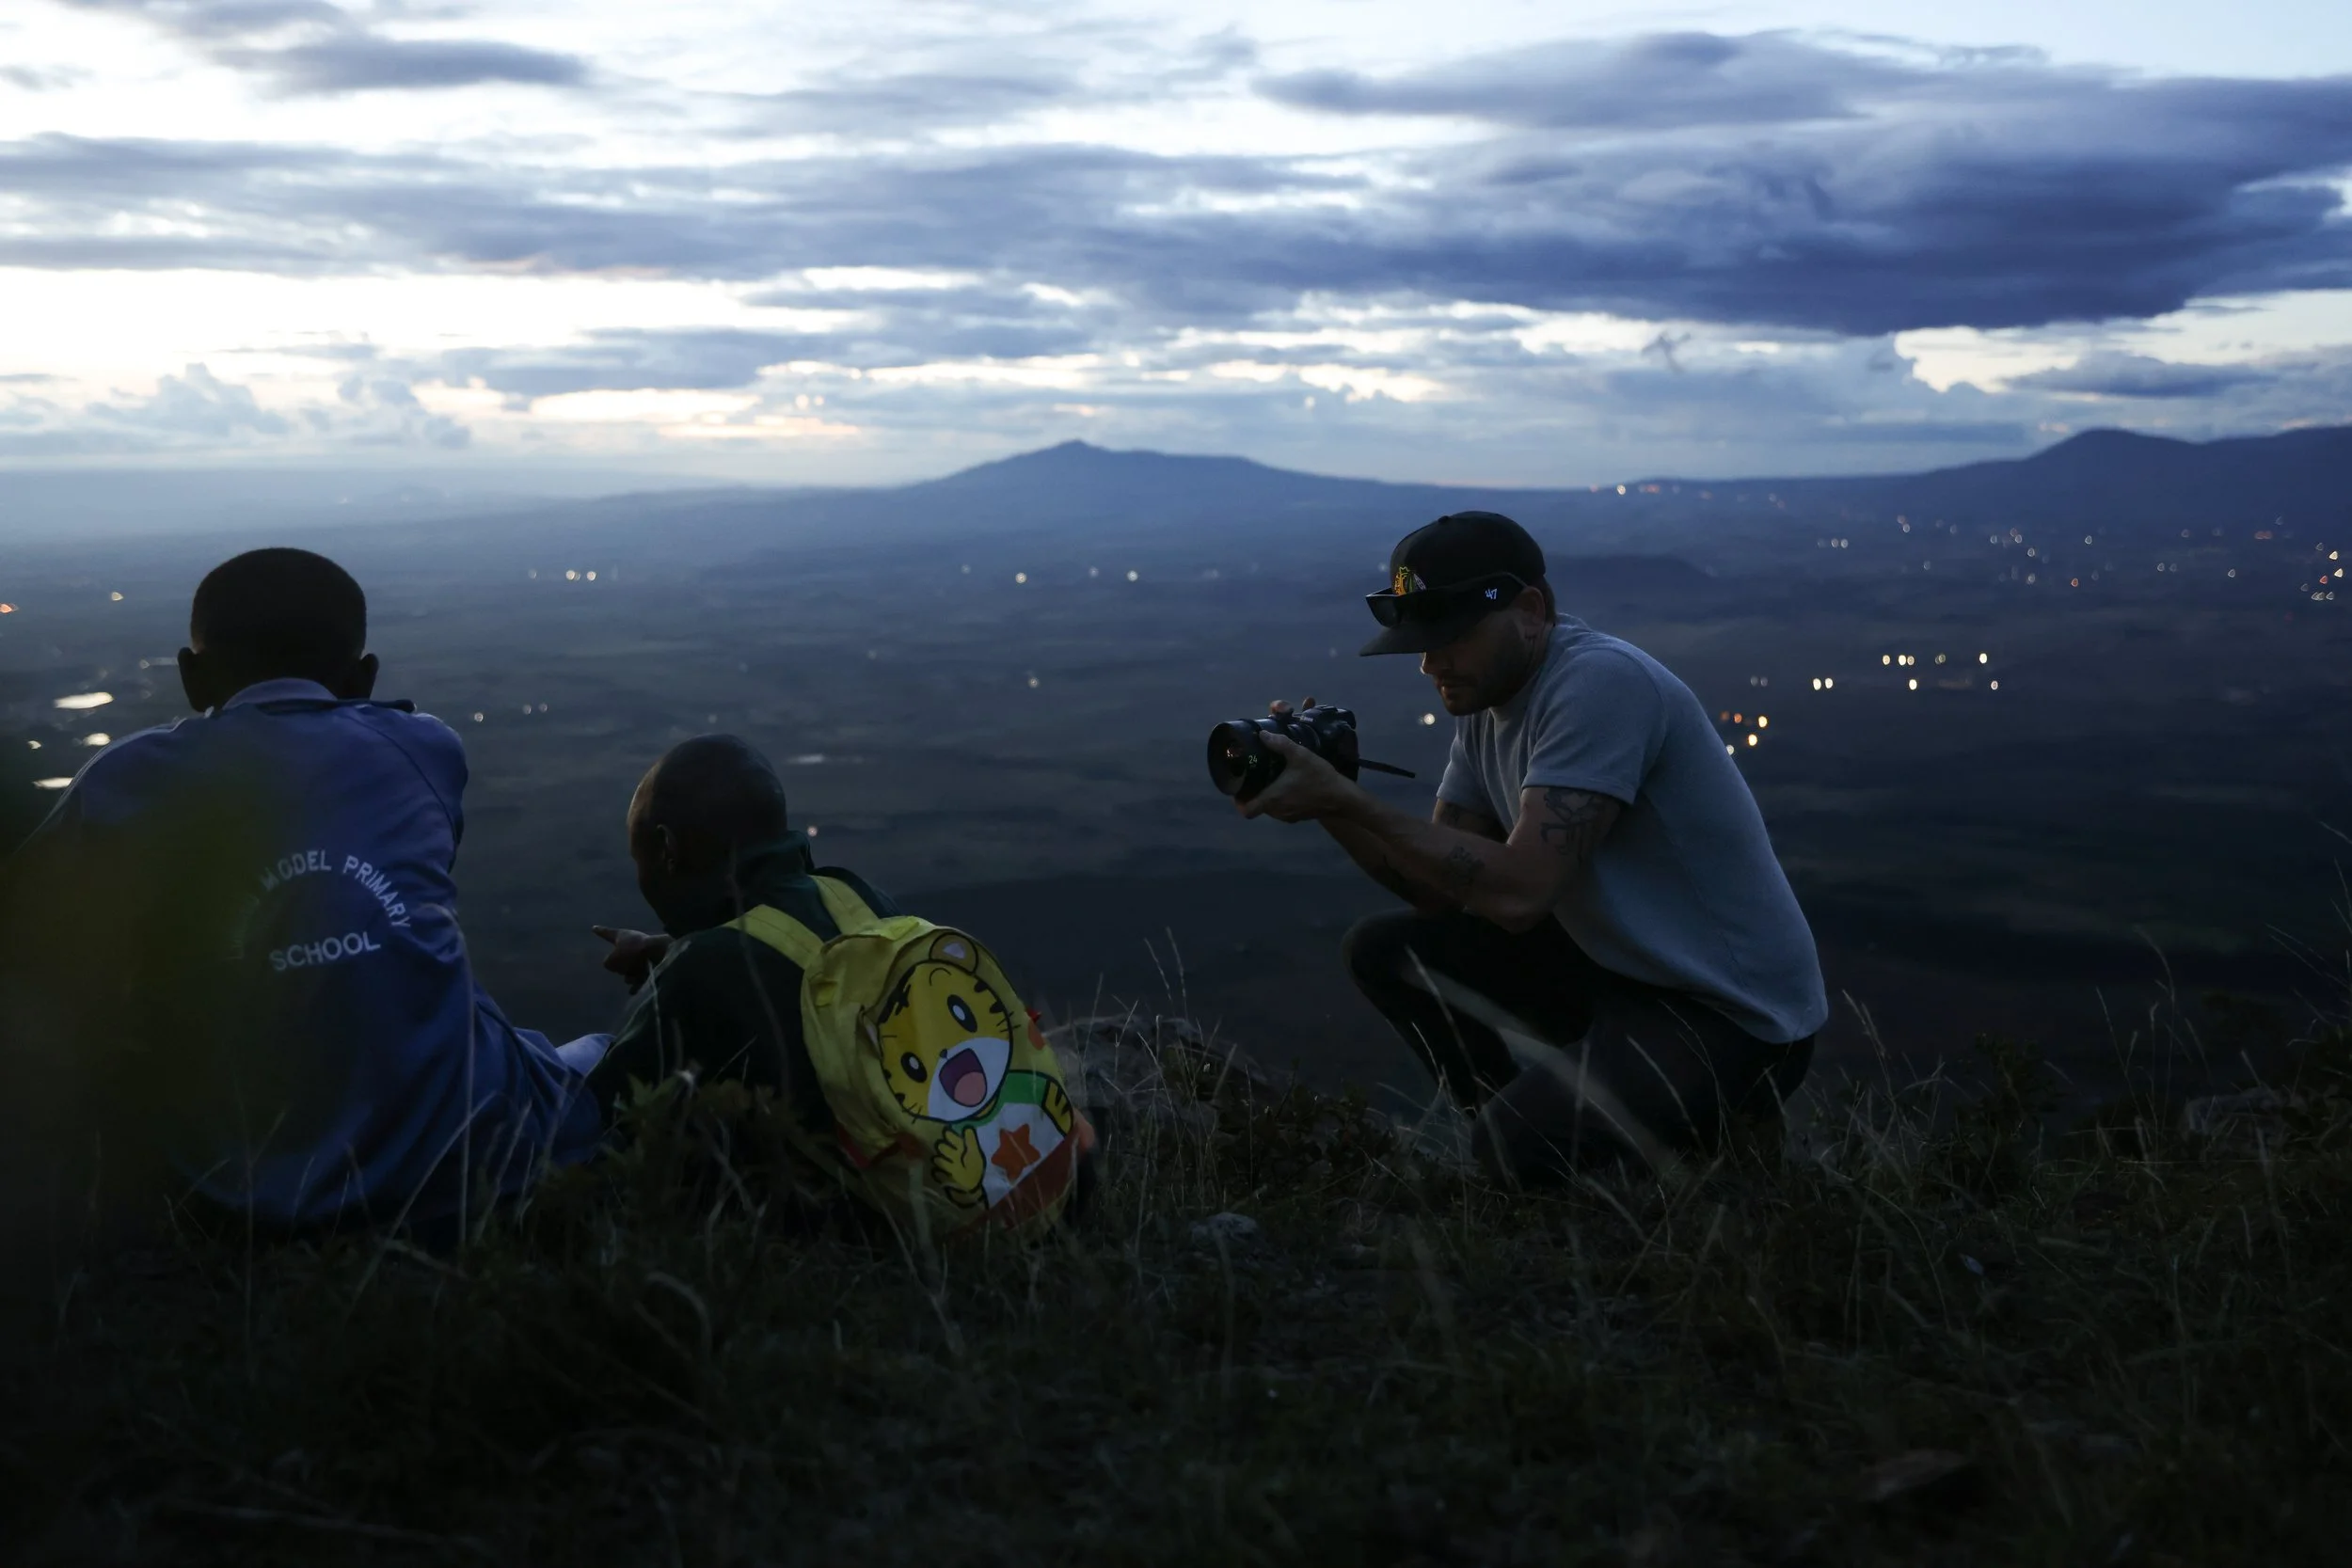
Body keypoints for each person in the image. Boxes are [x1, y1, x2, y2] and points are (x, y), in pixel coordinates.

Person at [0, 547, 600, 1235]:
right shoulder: (425, 748)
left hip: (242, 1185)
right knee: (603, 1052)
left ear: (192, 677)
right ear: (365, 676)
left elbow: (27, 935)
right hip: (475, 1151)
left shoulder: (126, 781)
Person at [1236, 512, 1826, 1180]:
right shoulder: (1492, 706)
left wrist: (1348, 801)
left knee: (1514, 1145)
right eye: (1421, 642)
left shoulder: (1600, 684)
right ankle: (1538, 1134)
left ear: (1529, 609)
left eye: (1451, 635)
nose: (1431, 662)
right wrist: (1329, 799)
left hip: (1732, 1014)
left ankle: (1613, 1149)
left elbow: (1517, 894)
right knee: (1387, 952)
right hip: (1620, 972)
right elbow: (1439, 888)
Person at [586, 735, 899, 1134]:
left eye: (639, 856)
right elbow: (787, 957)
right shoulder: (861, 898)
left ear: (667, 847)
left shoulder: (696, 976)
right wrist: (674, 950)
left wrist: (683, 964)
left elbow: (595, 1120)